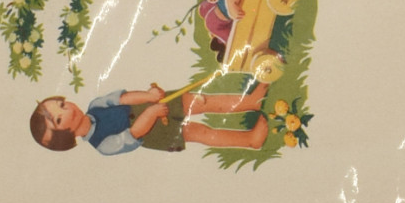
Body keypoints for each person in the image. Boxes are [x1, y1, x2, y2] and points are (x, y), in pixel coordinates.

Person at [31, 83, 270, 154]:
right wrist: (151, 113)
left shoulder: (96, 105)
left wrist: (148, 96)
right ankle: (250, 140)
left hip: (152, 105)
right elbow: (134, 133)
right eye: (59, 120)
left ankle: (251, 102)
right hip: (155, 132)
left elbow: (123, 98)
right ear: (65, 137)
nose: (68, 110)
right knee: (201, 133)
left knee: (200, 101)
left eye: (62, 105)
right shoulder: (103, 145)